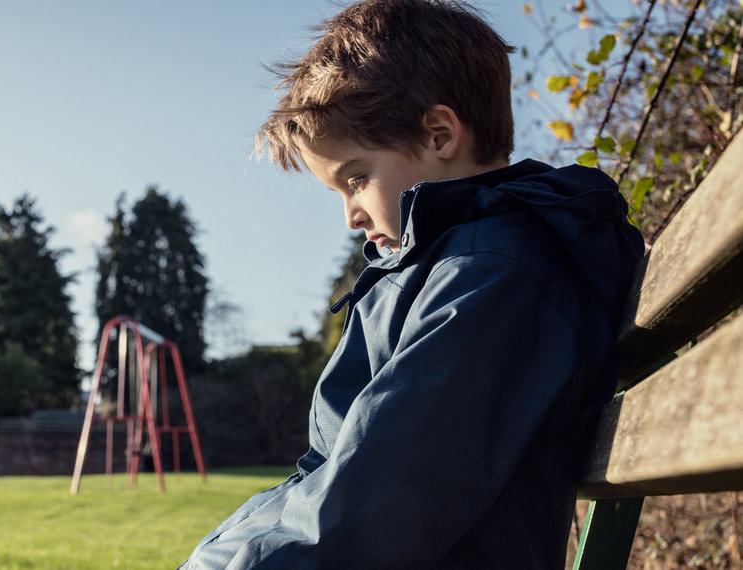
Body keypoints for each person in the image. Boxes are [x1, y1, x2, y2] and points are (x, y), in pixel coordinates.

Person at [180, 0, 646, 567]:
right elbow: (324, 475)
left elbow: (383, 501)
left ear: (440, 134)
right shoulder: (434, 272)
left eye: (356, 179)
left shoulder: (497, 280)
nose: (351, 215)